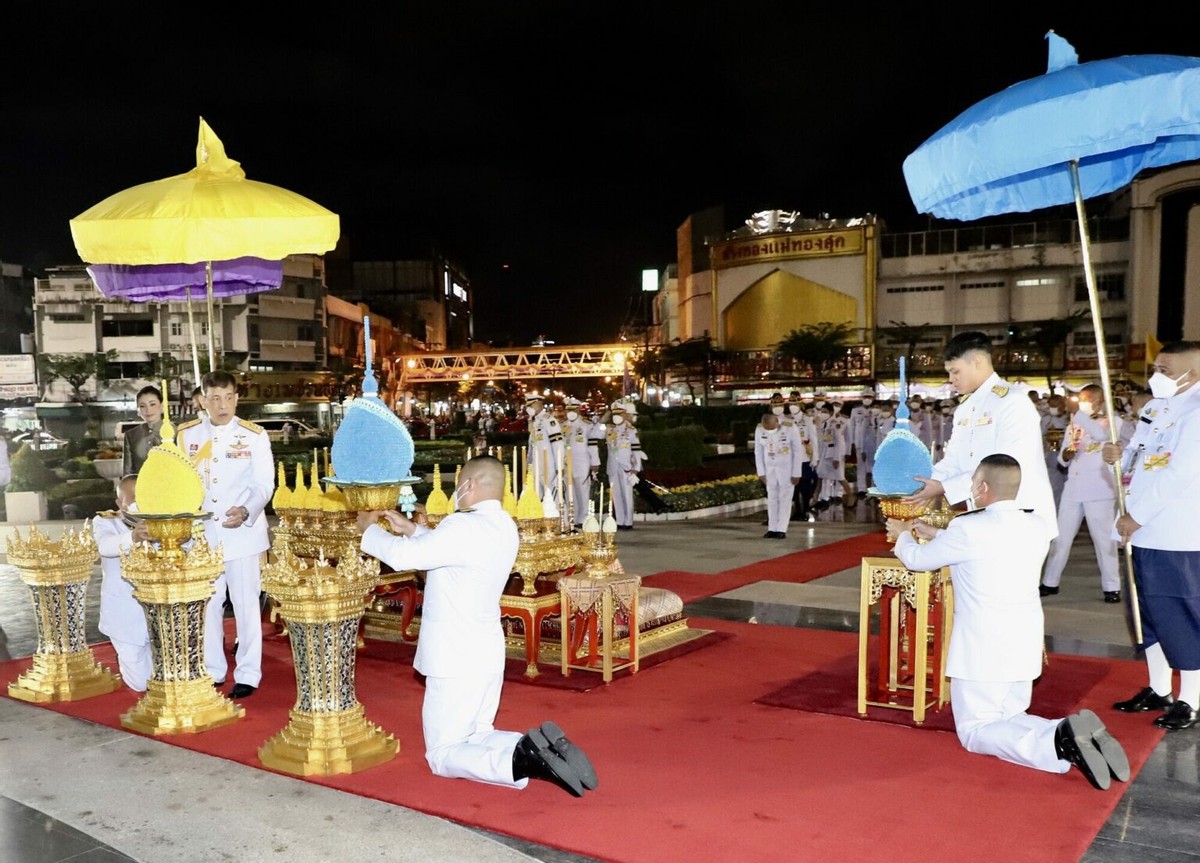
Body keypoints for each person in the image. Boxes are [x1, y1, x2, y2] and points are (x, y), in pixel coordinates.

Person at [355, 455, 597, 796]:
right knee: (478, 732)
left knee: (443, 753)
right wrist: (414, 530)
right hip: (484, 649)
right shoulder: (502, 525)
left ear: (468, 485)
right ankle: (538, 747)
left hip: (455, 653)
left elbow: (410, 557)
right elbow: (449, 553)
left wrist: (368, 532)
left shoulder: (461, 526)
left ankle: (523, 761)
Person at [889, 454, 1130, 790]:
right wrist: (940, 531)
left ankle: (1057, 742)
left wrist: (903, 535)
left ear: (982, 487)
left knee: (976, 730)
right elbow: (989, 543)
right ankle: (1067, 730)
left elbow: (918, 560)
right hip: (1024, 639)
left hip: (983, 646)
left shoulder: (967, 528)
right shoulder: (1037, 525)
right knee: (1009, 717)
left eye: (974, 483)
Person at [1103, 341, 1200, 732]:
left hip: (1175, 534)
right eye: (1156, 368)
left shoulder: (1196, 414)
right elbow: (1139, 459)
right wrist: (1116, 455)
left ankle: (1191, 698)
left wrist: (1136, 517)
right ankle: (1159, 687)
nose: (1155, 376)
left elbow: (1179, 475)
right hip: (1141, 531)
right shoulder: (1156, 409)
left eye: (1164, 369)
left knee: (1180, 615)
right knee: (1147, 617)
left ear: (1190, 374)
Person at [177, 370, 274, 699]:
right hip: (203, 536)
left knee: (246, 605)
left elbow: (264, 485)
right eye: (215, 398)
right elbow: (181, 484)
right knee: (209, 605)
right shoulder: (186, 436)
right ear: (203, 400)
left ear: (236, 398)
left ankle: (248, 673)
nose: (222, 405)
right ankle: (213, 670)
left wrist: (246, 510)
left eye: (229, 397)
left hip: (242, 535)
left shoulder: (253, 436)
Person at [903, 331, 1057, 539]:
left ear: (977, 361)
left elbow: (1007, 466)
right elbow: (954, 460)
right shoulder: (966, 407)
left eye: (955, 371)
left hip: (1019, 515)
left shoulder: (1012, 402)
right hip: (981, 513)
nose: (951, 379)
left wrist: (944, 487)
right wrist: (924, 483)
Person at [1039, 384, 1130, 602]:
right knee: (1060, 539)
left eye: (1087, 399)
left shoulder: (1113, 421)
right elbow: (1063, 457)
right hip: (1074, 489)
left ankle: (1111, 587)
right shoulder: (1075, 424)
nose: (1082, 403)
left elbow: (1101, 435)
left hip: (1099, 490)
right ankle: (1050, 582)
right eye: (1080, 399)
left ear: (1099, 401)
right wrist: (1068, 454)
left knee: (1103, 541)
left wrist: (1077, 414)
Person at [93, 474, 153, 692]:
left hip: (157, 613)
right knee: (141, 683)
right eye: (134, 496)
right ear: (120, 503)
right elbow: (105, 547)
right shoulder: (106, 522)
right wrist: (133, 537)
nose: (141, 501)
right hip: (124, 617)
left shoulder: (163, 520)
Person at [755, 412, 804, 539]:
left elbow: (798, 450)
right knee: (772, 498)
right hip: (770, 468)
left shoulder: (790, 427)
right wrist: (761, 472)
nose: (769, 431)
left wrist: (796, 472)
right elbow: (758, 451)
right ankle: (772, 528)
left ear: (777, 422)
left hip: (786, 469)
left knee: (785, 498)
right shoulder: (760, 429)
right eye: (767, 429)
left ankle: (781, 529)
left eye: (771, 428)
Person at [604, 400, 644, 530]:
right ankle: (620, 521)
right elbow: (594, 434)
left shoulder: (631, 430)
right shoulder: (609, 429)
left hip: (627, 466)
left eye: (620, 413)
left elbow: (636, 450)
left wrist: (636, 468)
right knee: (616, 495)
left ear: (625, 414)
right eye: (614, 413)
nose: (617, 416)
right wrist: (604, 417)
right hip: (613, 466)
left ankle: (628, 521)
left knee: (627, 494)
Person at [561, 396, 600, 527]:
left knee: (582, 490)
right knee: (569, 491)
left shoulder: (586, 425)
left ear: (579, 410)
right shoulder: (562, 425)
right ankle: (572, 517)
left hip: (582, 461)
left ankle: (584, 519)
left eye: (573, 409)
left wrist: (595, 462)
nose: (570, 412)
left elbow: (593, 444)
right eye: (568, 410)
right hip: (566, 462)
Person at [785, 390, 819, 522]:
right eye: (791, 402)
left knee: (805, 486)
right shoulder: (786, 420)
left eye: (795, 402)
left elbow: (813, 439)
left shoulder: (807, 420)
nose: (793, 405)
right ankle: (796, 510)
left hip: (804, 457)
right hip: (790, 458)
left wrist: (814, 458)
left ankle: (804, 510)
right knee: (793, 487)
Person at [524, 394, 563, 506]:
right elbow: (532, 445)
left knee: (551, 496)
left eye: (531, 405)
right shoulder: (534, 421)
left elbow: (558, 444)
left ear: (538, 404)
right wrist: (528, 464)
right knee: (537, 496)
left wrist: (559, 466)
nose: (528, 408)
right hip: (536, 465)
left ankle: (556, 521)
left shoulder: (549, 420)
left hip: (548, 465)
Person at [123, 385, 165, 475]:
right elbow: (127, 473)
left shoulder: (177, 432)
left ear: (162, 406)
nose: (148, 410)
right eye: (142, 406)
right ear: (138, 411)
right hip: (140, 487)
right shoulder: (131, 435)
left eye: (152, 404)